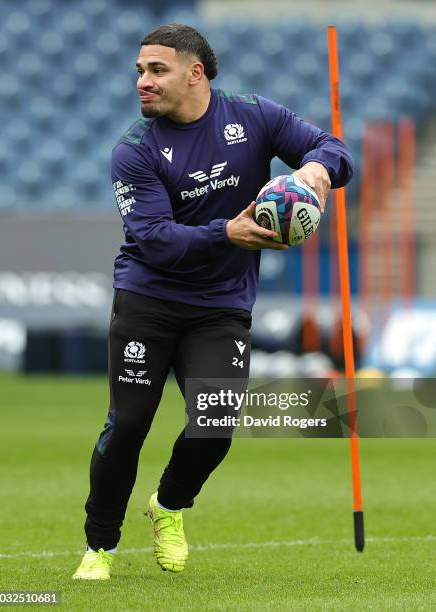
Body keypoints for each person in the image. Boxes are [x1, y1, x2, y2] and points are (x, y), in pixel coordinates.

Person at [72, 23, 353, 580]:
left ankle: (169, 507)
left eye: (156, 70)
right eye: (139, 71)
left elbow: (336, 150)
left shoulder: (254, 116)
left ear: (194, 72)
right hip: (148, 299)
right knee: (128, 424)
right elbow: (154, 237)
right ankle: (99, 547)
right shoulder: (133, 150)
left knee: (215, 425)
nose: (142, 82)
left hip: (222, 304)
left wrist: (317, 170)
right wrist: (227, 232)